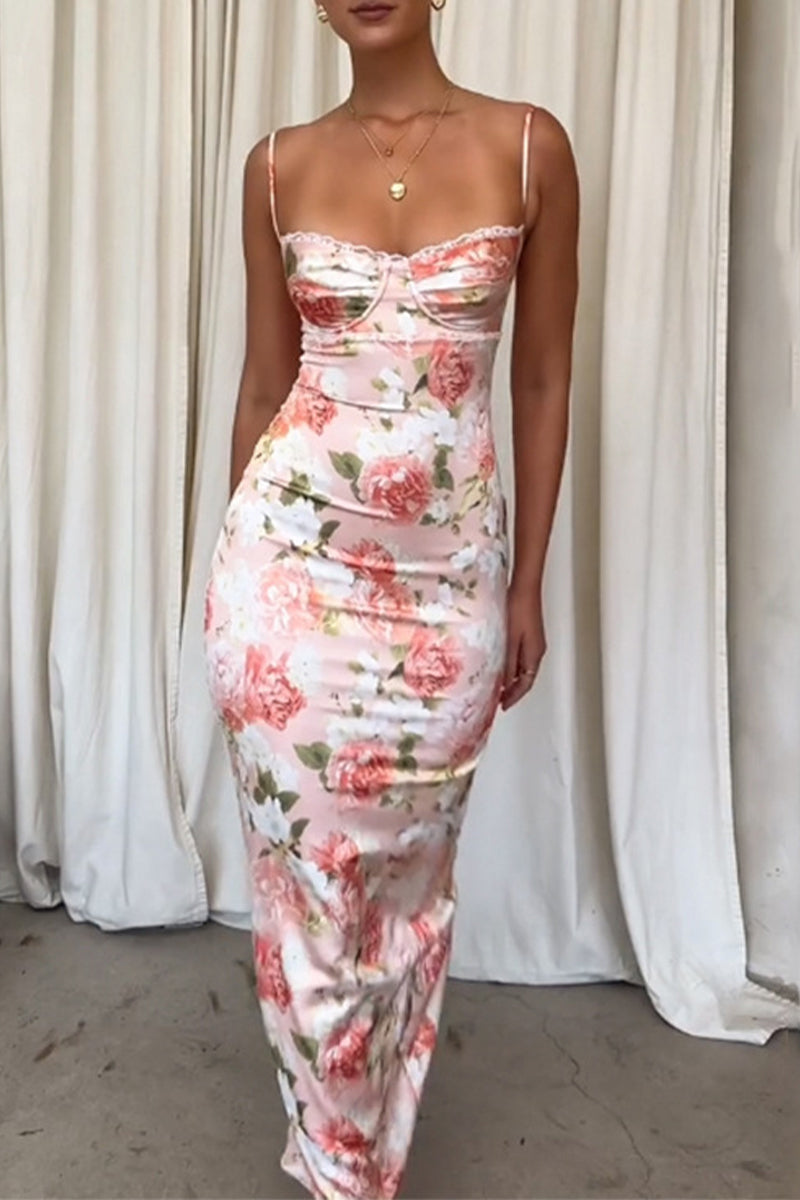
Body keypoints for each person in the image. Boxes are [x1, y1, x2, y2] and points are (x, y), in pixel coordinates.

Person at [203, 0, 578, 1195]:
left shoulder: (529, 146)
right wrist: (231, 585)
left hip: (445, 591)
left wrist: (525, 583)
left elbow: (541, 377)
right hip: (286, 585)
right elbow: (264, 384)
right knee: (305, 892)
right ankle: (339, 1170)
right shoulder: (275, 167)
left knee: (406, 885)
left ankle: (354, 1145)